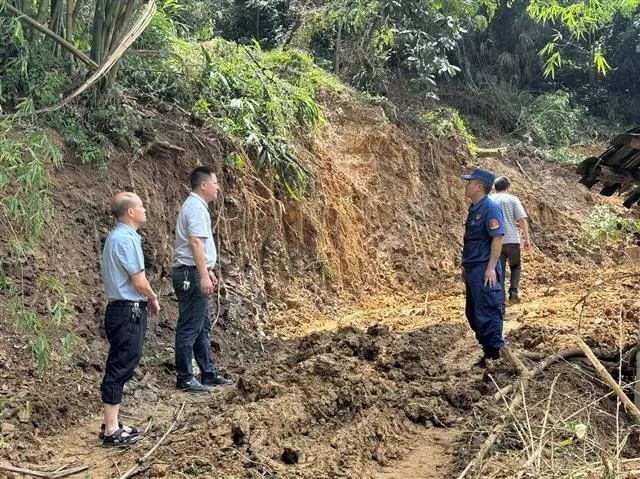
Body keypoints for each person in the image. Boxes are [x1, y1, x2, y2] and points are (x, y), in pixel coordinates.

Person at [100, 192, 160, 447]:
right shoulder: (126, 239)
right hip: (128, 311)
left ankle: (111, 423)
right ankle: (111, 430)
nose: (146, 209)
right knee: (121, 365)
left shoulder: (119, 237)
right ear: (130, 212)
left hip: (120, 310)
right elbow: (138, 281)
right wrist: (153, 297)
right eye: (142, 206)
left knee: (120, 362)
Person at [173, 165, 232, 393]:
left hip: (193, 271)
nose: (218, 187)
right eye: (215, 183)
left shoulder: (197, 207)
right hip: (190, 273)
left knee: (202, 326)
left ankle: (208, 373)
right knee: (189, 327)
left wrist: (207, 269)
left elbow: (199, 246)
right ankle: (185, 378)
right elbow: (196, 243)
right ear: (204, 185)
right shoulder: (196, 208)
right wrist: (203, 273)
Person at [461, 168, 505, 369]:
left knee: (487, 309)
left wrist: (490, 268)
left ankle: (493, 355)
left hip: (484, 267)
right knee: (472, 312)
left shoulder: (490, 208)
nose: (466, 185)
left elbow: (497, 238)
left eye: (469, 182)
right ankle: (487, 350)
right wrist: (465, 267)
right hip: (472, 267)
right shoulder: (474, 208)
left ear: (479, 186)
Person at [490, 176, 532, 307]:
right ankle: (513, 293)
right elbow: (522, 220)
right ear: (508, 187)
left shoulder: (489, 200)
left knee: (499, 271)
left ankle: (501, 302)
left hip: (495, 241)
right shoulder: (513, 199)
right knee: (515, 266)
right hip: (512, 240)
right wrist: (526, 238)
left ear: (494, 187)